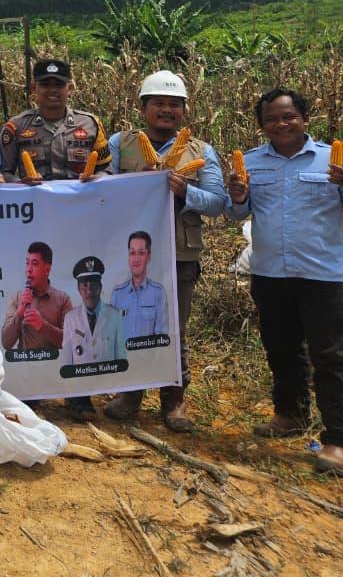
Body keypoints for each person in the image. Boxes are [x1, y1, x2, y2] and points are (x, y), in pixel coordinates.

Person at [225, 88, 343, 477]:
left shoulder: (333, 160)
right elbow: (236, 212)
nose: (280, 124)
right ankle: (290, 414)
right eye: (271, 119)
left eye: (288, 116)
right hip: (270, 273)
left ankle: (342, 441)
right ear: (262, 125)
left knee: (331, 357)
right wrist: (238, 196)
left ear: (305, 119)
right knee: (281, 349)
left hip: (322, 276)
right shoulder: (253, 163)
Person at [104, 70, 226, 432]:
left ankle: (174, 399)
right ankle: (130, 393)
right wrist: (134, 183)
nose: (167, 110)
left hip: (179, 252)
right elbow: (101, 192)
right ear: (143, 108)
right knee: (130, 322)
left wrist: (184, 191)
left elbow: (218, 203)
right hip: (132, 252)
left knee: (173, 327)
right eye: (158, 103)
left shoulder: (201, 151)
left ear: (185, 111)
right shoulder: (120, 143)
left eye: (175, 104)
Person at [0, 59, 109, 182]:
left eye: (59, 84)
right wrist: (20, 183)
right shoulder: (16, 126)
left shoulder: (91, 124)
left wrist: (97, 178)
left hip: (81, 199)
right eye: (45, 84)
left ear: (70, 88)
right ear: (34, 88)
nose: (52, 90)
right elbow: (4, 173)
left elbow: (106, 170)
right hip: (35, 198)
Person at [1, 242, 72, 351]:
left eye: (34, 263)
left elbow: (70, 341)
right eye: (27, 263)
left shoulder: (62, 299)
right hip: (23, 365)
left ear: (47, 269)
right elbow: (6, 343)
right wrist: (19, 312)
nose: (29, 269)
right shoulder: (17, 298)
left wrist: (42, 326)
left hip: (53, 365)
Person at [60, 256, 126, 368]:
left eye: (93, 285)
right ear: (78, 289)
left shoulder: (114, 316)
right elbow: (66, 363)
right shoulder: (70, 318)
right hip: (82, 384)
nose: (89, 291)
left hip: (108, 382)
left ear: (100, 287)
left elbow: (121, 359)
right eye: (85, 286)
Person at [109, 231, 169, 341]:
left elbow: (162, 338)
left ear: (149, 257)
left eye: (141, 253)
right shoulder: (117, 294)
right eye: (132, 253)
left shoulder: (158, 292)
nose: (136, 259)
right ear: (128, 257)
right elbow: (111, 336)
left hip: (149, 357)